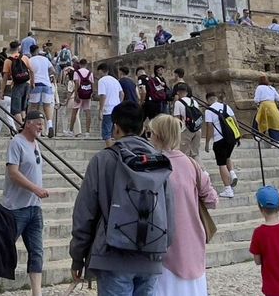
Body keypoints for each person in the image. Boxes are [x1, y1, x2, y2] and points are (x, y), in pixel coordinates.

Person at [70, 102, 171, 295]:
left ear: (116, 128)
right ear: (143, 128)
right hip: (150, 255)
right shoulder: (159, 162)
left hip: (112, 254)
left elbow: (85, 213)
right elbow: (170, 213)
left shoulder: (103, 160)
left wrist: (77, 256)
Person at [150, 115, 217, 294]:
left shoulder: (154, 165)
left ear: (157, 136)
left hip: (164, 241)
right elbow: (211, 199)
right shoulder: (192, 165)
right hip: (193, 239)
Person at [6, 111, 50, 296]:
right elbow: (13, 172)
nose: (41, 127)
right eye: (39, 123)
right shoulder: (17, 142)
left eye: (43, 124)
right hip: (17, 208)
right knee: (4, 247)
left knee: (37, 251)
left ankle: (36, 292)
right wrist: (35, 189)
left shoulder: (36, 143)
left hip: (34, 207)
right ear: (28, 124)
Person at [203, 90, 239, 198]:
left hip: (219, 140)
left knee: (221, 164)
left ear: (208, 100)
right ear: (216, 98)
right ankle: (232, 173)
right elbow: (235, 121)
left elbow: (209, 127)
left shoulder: (209, 110)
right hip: (231, 138)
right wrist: (237, 135)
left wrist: (207, 142)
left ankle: (228, 189)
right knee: (227, 156)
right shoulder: (226, 107)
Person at [27, 44, 56, 138]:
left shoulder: (30, 60)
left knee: (34, 107)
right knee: (47, 106)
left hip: (36, 84)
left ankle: (33, 128)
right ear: (38, 50)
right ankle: (50, 125)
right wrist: (46, 75)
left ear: (30, 52)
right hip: (46, 84)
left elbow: (28, 72)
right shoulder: (45, 59)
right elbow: (53, 70)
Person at [2, 41, 31, 126]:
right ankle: (25, 124)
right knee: (23, 108)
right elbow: (31, 71)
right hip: (27, 83)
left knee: (15, 110)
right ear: (19, 47)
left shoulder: (8, 60)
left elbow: (5, 78)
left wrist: (1, 92)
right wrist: (33, 83)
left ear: (10, 48)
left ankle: (22, 127)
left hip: (17, 85)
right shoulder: (25, 58)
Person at [96, 63, 124, 148]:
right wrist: (119, 103)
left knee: (106, 133)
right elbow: (122, 93)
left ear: (101, 71)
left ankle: (111, 151)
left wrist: (100, 110)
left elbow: (103, 95)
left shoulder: (102, 81)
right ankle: (116, 150)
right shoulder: (115, 80)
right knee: (114, 132)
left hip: (108, 109)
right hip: (116, 109)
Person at [253, 74, 279, 143]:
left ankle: (258, 135)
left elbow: (256, 99)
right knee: (274, 123)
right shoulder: (271, 88)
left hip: (264, 105)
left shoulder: (259, 88)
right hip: (273, 106)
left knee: (259, 120)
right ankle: (277, 140)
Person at [171, 83, 201, 158]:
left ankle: (188, 169)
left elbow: (177, 119)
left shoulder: (178, 102)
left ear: (178, 92)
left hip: (186, 129)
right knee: (195, 154)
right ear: (187, 92)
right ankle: (202, 170)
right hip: (197, 129)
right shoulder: (194, 101)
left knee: (184, 154)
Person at [67, 60, 95, 136]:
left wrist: (76, 95)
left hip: (80, 94)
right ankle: (87, 132)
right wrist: (91, 94)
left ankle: (71, 130)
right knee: (87, 112)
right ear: (86, 64)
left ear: (80, 64)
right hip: (87, 94)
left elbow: (76, 84)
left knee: (74, 112)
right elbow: (92, 84)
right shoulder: (90, 73)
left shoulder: (77, 72)